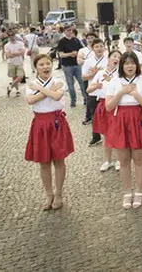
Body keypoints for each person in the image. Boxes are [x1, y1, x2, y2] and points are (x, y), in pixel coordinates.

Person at [105, 51, 142, 209]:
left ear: (137, 65)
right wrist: (122, 91)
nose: (130, 66)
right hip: (120, 121)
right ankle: (127, 192)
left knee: (139, 159)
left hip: (138, 119)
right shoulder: (114, 81)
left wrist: (135, 95)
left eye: (132, 63)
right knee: (124, 160)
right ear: (121, 65)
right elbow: (108, 106)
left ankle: (139, 191)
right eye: (126, 63)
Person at [25, 54, 74, 210]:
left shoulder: (58, 80)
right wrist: (47, 91)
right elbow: (30, 100)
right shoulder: (31, 83)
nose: (45, 67)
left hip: (56, 122)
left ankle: (58, 193)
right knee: (44, 162)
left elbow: (56, 95)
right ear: (36, 67)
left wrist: (39, 89)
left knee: (59, 160)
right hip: (40, 123)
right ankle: (48, 194)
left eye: (48, 63)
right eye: (41, 64)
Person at [87, 49, 122, 172]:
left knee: (117, 133)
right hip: (102, 104)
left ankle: (119, 160)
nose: (116, 59)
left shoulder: (120, 74)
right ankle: (107, 160)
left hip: (116, 105)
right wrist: (95, 86)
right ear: (109, 59)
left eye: (118, 57)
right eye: (114, 56)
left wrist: (110, 80)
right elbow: (89, 90)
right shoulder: (100, 73)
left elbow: (122, 89)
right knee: (106, 134)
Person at [82, 38, 108, 144]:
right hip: (93, 90)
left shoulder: (108, 60)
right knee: (94, 115)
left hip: (105, 92)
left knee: (107, 115)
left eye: (101, 46)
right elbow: (83, 77)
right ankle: (96, 136)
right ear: (92, 49)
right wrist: (93, 74)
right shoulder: (88, 61)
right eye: (97, 47)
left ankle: (110, 134)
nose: (99, 48)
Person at [57, 26, 88, 108]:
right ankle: (73, 100)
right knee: (70, 84)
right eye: (68, 30)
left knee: (82, 83)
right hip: (67, 65)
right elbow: (60, 55)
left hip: (77, 64)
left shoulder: (76, 40)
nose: (70, 32)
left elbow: (82, 51)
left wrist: (78, 54)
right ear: (64, 31)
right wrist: (70, 54)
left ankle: (85, 99)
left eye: (71, 30)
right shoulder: (61, 41)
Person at [4, 30, 26, 97]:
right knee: (14, 77)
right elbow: (7, 56)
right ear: (8, 36)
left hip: (19, 62)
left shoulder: (20, 43)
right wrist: (17, 53)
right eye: (10, 36)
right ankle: (17, 91)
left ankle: (10, 87)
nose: (11, 37)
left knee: (20, 76)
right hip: (11, 63)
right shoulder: (7, 45)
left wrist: (12, 53)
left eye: (12, 35)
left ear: (14, 35)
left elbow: (22, 52)